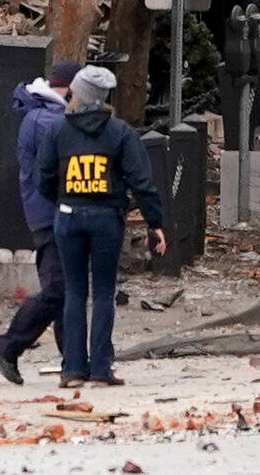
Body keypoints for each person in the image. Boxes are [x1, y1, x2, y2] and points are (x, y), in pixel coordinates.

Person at [34, 64, 168, 386]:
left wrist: (63, 201)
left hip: (68, 216)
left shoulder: (58, 130)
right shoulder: (121, 133)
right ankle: (101, 370)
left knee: (74, 293)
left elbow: (43, 178)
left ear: (76, 94)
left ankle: (73, 370)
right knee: (104, 292)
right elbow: (141, 181)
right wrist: (155, 222)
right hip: (107, 219)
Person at [0, 57, 80, 385]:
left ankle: (74, 363)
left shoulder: (42, 116)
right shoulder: (48, 121)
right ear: (70, 88)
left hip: (50, 214)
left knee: (66, 290)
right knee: (58, 290)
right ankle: (8, 346)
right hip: (53, 216)